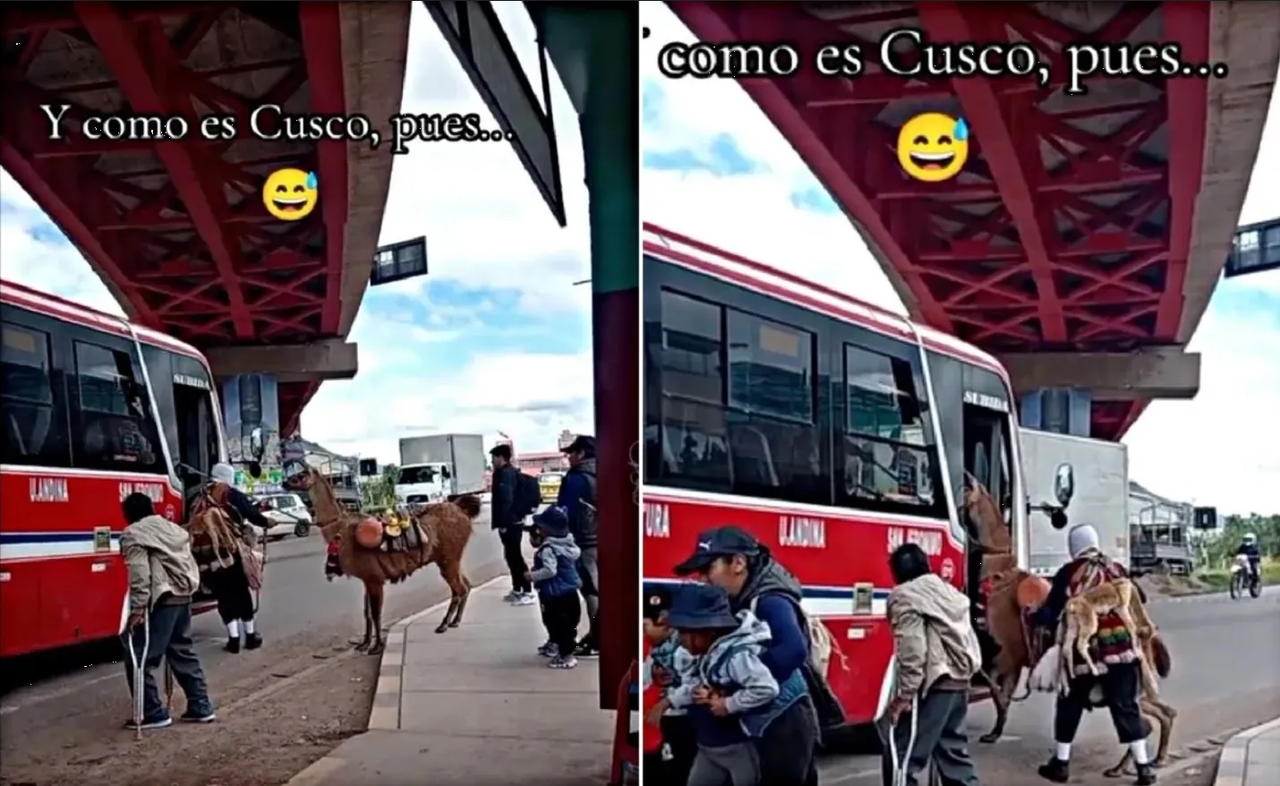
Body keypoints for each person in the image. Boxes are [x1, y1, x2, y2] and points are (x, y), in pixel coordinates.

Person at [673, 526, 823, 786]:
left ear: (739, 563)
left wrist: (733, 683)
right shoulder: (738, 599)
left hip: (783, 722)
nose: (705, 579)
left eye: (709, 568)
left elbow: (793, 651)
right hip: (765, 719)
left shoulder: (769, 601)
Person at [1032, 524, 1155, 786]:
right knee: (1126, 706)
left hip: (1085, 651)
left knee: (1069, 701)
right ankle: (1145, 768)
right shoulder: (1116, 568)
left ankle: (1061, 765)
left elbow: (1054, 611)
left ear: (1073, 547)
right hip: (1123, 648)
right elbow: (1138, 600)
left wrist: (1034, 616)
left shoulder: (1069, 572)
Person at [881, 543, 983, 786]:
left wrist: (904, 696)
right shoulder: (951, 593)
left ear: (896, 573)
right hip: (959, 683)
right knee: (954, 758)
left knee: (902, 759)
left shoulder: (905, 595)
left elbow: (913, 651)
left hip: (933, 685)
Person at [665, 583, 782, 786]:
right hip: (710, 746)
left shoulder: (737, 656)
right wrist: (672, 700)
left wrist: (728, 704)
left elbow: (766, 688)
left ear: (708, 631)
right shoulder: (709, 653)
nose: (682, 641)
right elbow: (698, 684)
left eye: (686, 634)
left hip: (737, 746)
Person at [119, 492, 216, 729]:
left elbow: (140, 574)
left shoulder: (134, 534)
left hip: (162, 598)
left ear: (129, 514)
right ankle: (201, 706)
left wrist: (138, 609)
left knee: (140, 657)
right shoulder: (174, 529)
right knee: (182, 651)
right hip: (183, 596)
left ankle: (153, 713)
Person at [204, 462, 267, 653]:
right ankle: (249, 636)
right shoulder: (229, 493)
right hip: (232, 551)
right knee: (241, 593)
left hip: (209, 555)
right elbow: (251, 514)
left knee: (224, 596)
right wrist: (266, 521)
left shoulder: (201, 495)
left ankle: (233, 640)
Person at [642, 587, 698, 785]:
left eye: (646, 626)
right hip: (661, 720)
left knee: (678, 769)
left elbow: (694, 684)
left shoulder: (684, 650)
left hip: (681, 719)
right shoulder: (653, 648)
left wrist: (667, 701)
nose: (644, 632)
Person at [557, 434, 599, 657]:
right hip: (601, 538)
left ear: (581, 453)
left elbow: (565, 511)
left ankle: (597, 638)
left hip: (582, 540)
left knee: (591, 590)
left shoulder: (576, 477)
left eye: (571, 452)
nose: (569, 457)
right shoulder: (605, 472)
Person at [525, 506, 582, 669]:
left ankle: (566, 655)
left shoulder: (549, 549)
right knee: (570, 622)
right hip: (570, 591)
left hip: (554, 593)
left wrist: (532, 576)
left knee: (556, 622)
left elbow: (550, 570)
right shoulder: (569, 545)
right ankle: (564, 648)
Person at [490, 443, 535, 605]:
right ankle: (517, 589)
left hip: (510, 523)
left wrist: (504, 523)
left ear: (501, 458)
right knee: (510, 556)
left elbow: (506, 501)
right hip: (512, 522)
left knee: (515, 557)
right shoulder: (504, 473)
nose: (492, 461)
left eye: (494, 458)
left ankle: (528, 591)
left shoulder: (506, 474)